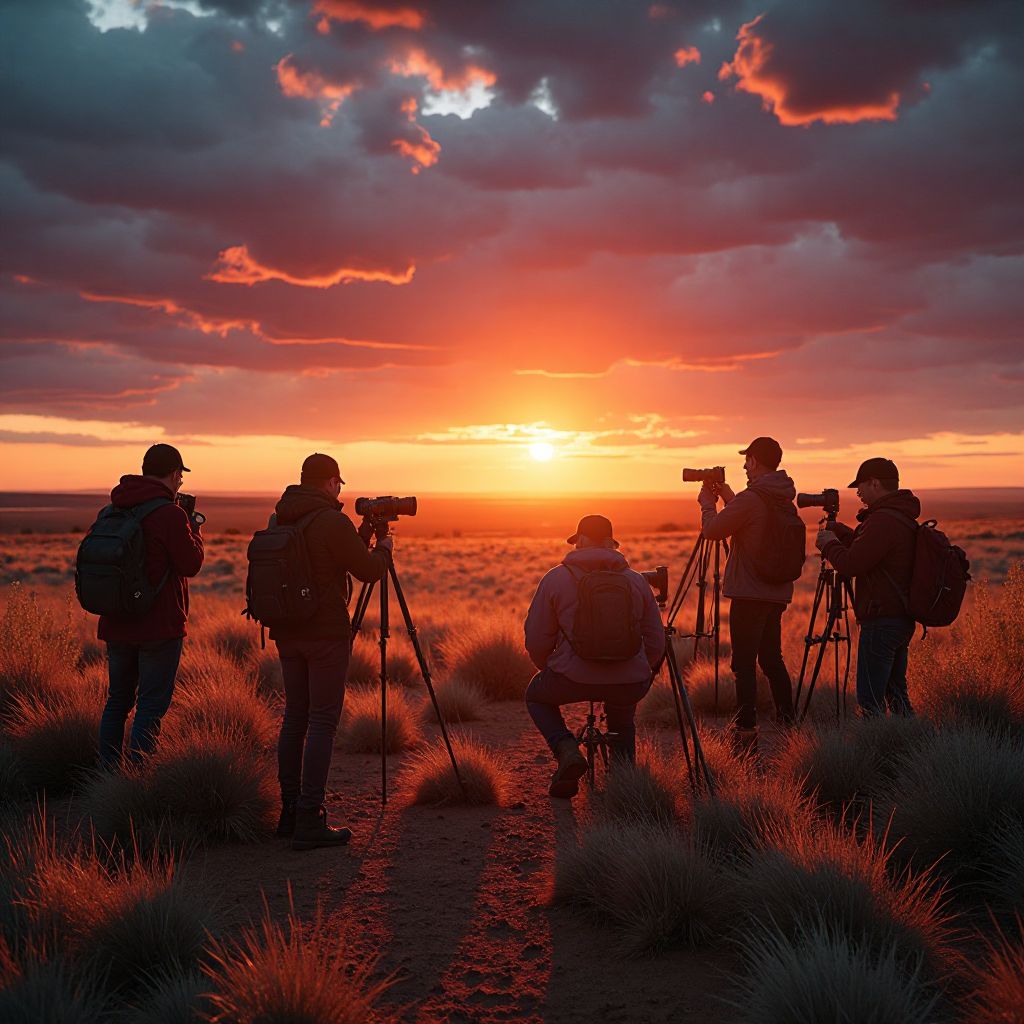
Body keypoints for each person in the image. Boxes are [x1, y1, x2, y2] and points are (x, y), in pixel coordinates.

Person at [270, 453, 391, 850]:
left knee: (295, 718)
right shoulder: (330, 520)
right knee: (322, 721)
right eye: (339, 483)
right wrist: (383, 550)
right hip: (324, 635)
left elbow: (329, 560)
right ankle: (310, 816)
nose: (340, 490)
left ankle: (290, 811)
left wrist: (360, 540)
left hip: (288, 631)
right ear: (327, 482)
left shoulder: (281, 517)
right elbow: (369, 572)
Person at [524, 514, 665, 799]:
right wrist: (642, 671)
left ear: (583, 540)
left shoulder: (556, 578)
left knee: (536, 696)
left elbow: (537, 638)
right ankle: (624, 785)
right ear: (611, 544)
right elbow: (656, 640)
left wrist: (552, 667)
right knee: (623, 720)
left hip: (570, 678)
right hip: (629, 681)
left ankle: (566, 750)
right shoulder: (637, 582)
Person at [97, 443, 205, 768]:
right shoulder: (170, 514)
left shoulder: (111, 510)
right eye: (180, 478)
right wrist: (194, 531)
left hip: (117, 624)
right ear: (174, 475)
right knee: (150, 706)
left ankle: (109, 776)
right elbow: (191, 564)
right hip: (158, 628)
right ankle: (139, 780)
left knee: (117, 702)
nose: (180, 485)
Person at [697, 436, 799, 752]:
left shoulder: (754, 498)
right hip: (776, 593)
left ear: (754, 460)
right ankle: (788, 721)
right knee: (771, 658)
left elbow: (713, 531)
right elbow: (749, 517)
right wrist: (729, 496)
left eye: (747, 460)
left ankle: (745, 731)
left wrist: (707, 504)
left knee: (743, 663)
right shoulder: (781, 497)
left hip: (749, 594)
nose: (743, 465)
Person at [815, 458, 918, 717]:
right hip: (899, 618)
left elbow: (851, 564)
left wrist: (828, 544)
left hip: (881, 620)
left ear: (875, 483)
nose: (858, 493)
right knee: (896, 694)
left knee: (870, 700)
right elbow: (871, 552)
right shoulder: (899, 516)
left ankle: (875, 753)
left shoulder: (883, 520)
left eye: (860, 486)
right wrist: (841, 532)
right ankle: (910, 747)